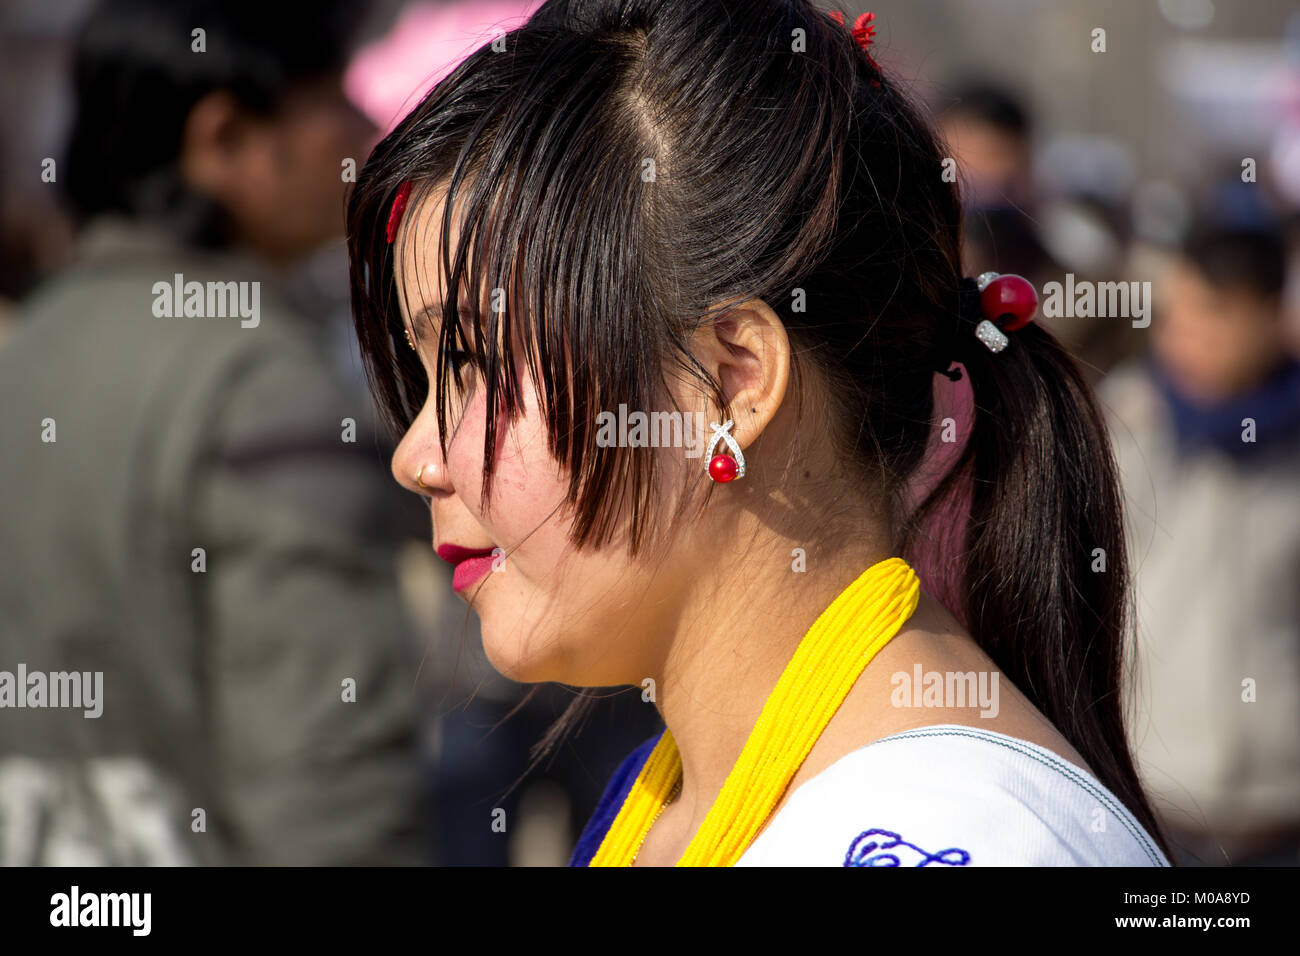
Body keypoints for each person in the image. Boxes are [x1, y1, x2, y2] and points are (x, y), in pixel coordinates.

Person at [344, 0, 1170, 866]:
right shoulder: (678, 791)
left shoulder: (955, 838)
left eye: (473, 364)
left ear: (732, 382)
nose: (416, 457)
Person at [0, 0, 427, 864]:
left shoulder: (29, 352)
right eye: (331, 98)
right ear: (224, 139)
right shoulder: (260, 388)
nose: (362, 127)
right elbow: (332, 797)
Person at [1101, 216, 1300, 865]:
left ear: (1271, 315)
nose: (1184, 336)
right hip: (1153, 798)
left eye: (1212, 314)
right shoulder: (1120, 421)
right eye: (1175, 313)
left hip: (1281, 805)